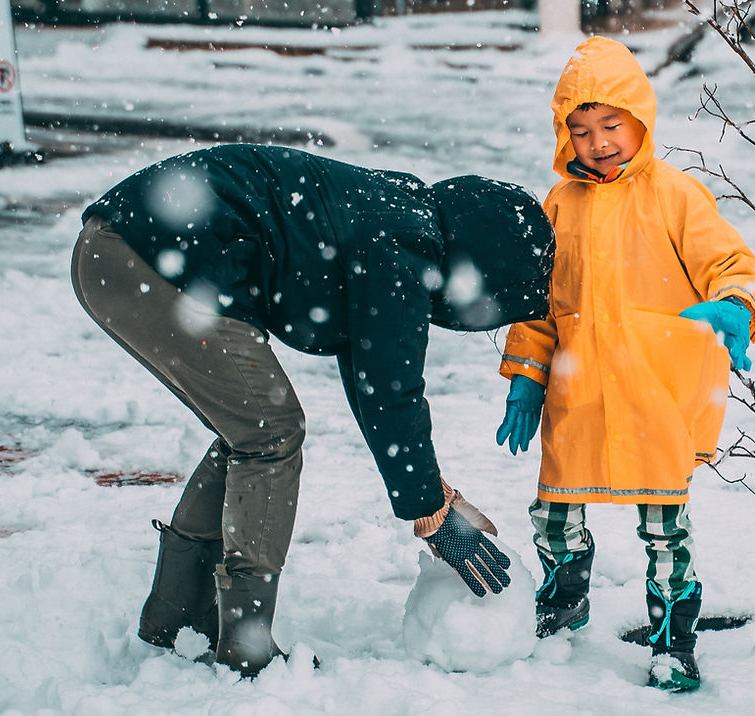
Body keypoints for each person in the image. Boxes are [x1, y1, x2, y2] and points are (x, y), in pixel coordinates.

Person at [70, 143, 555, 677]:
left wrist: (432, 498)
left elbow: (374, 379)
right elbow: (391, 390)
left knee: (250, 430)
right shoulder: (405, 248)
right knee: (269, 432)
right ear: (481, 267)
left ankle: (177, 617)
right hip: (143, 255)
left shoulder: (397, 219)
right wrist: (431, 513)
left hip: (122, 247)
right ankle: (245, 643)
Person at [494, 37, 755, 693]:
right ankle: (564, 598)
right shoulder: (559, 206)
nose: (599, 141)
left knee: (665, 529)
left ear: (639, 119)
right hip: (578, 395)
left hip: (654, 395)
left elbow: (729, 264)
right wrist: (527, 377)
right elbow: (538, 303)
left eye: (611, 124)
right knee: (555, 514)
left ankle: (674, 640)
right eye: (580, 130)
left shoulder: (676, 196)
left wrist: (735, 306)